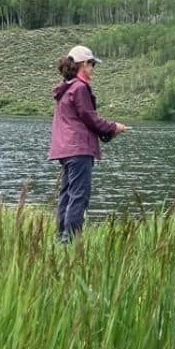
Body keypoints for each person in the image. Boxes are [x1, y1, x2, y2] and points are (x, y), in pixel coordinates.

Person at [47, 45, 129, 242]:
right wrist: (113, 128)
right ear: (83, 64)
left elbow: (83, 120)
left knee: (66, 195)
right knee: (79, 196)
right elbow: (90, 118)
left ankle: (61, 238)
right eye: (92, 64)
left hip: (65, 151)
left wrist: (106, 132)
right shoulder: (80, 88)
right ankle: (72, 241)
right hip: (79, 150)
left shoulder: (65, 89)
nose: (93, 69)